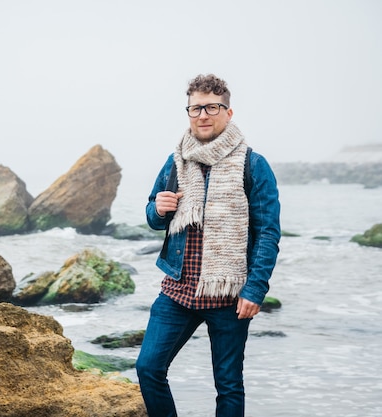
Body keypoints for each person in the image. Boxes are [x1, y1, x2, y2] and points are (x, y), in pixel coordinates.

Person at [135, 73, 281, 417]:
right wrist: (157, 209)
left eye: (212, 107)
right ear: (188, 113)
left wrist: (255, 289)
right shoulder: (176, 161)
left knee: (228, 384)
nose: (203, 114)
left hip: (229, 297)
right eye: (196, 108)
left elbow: (268, 233)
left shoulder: (253, 165)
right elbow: (154, 216)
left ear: (228, 113)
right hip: (177, 292)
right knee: (148, 368)